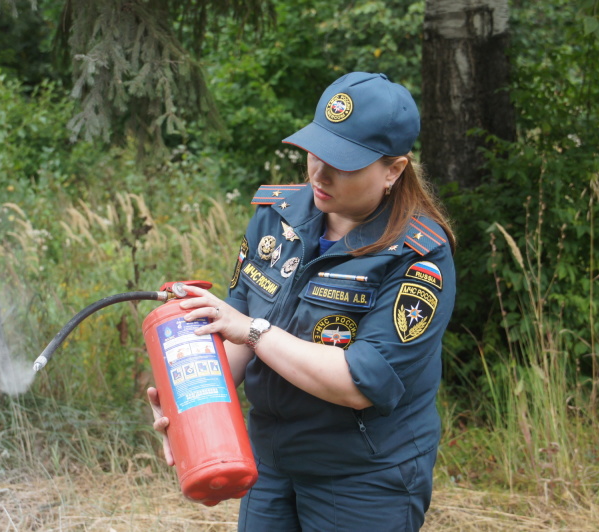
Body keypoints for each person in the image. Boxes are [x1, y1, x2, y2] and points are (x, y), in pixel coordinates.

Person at [148, 71, 456, 531]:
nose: (320, 173)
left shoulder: (418, 256)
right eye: (316, 151)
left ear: (394, 170)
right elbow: (232, 330)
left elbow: (358, 384)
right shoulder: (278, 217)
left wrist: (254, 331)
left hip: (363, 477)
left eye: (345, 164)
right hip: (271, 462)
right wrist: (189, 413)